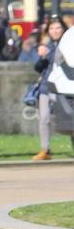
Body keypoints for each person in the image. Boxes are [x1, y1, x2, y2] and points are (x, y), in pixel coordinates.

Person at [32, 18, 73, 160]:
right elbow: (37, 68)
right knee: (44, 118)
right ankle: (45, 149)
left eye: (57, 28)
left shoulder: (68, 43)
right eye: (51, 29)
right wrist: (41, 57)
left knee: (70, 118)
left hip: (63, 87)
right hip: (46, 86)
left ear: (63, 29)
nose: (54, 31)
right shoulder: (47, 45)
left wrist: (47, 54)